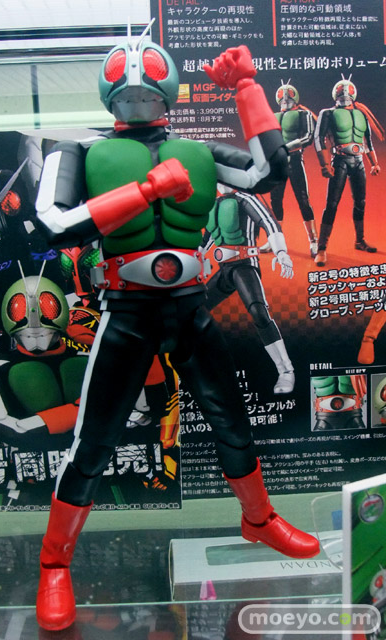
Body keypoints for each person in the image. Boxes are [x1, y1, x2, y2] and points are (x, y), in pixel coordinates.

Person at [34, 31, 320, 631]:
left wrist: (248, 89)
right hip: (127, 312)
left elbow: (270, 171)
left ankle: (259, 519)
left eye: (148, 71)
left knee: (231, 420)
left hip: (190, 307)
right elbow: (53, 224)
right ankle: (54, 563)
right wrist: (144, 192)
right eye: (124, 72)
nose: (136, 81)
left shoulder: (196, 151)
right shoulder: (77, 152)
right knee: (95, 441)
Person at [204, 189, 295, 394]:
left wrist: (281, 252)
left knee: (259, 313)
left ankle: (286, 370)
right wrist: (195, 258)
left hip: (245, 266)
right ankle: (202, 366)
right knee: (196, 310)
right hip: (224, 270)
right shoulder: (215, 203)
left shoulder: (246, 199)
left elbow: (269, 223)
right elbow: (208, 238)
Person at [314, 76, 384, 266]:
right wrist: (324, 164)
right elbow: (319, 138)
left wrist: (374, 163)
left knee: (360, 202)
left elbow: (367, 141)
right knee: (332, 204)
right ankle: (321, 248)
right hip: (340, 161)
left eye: (347, 89)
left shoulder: (361, 114)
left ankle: (360, 241)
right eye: (341, 89)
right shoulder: (328, 113)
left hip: (358, 161)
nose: (344, 92)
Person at [268, 81, 318, 257]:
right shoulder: (272, 116)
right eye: (282, 95)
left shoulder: (304, 114)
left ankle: (313, 240)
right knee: (275, 200)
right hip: (277, 163)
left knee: (303, 200)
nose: (285, 98)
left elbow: (309, 137)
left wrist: (287, 147)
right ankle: (275, 240)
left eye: (288, 94)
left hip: (295, 160)